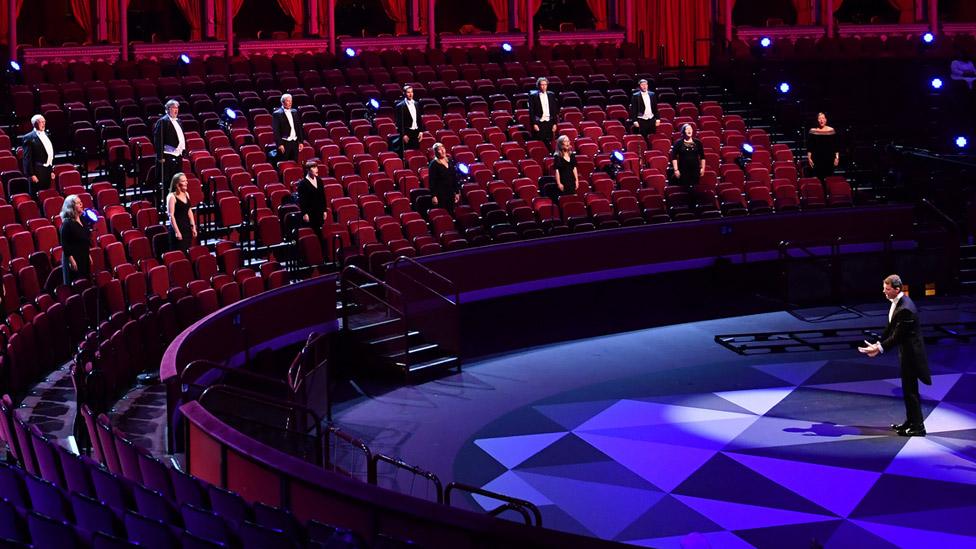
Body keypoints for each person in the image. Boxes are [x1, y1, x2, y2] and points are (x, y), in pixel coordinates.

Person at [858, 274, 932, 437]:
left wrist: (879, 349)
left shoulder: (905, 308)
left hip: (912, 356)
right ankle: (911, 422)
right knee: (907, 390)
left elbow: (897, 336)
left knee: (911, 391)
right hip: (906, 353)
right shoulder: (898, 303)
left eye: (887, 289)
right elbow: (891, 329)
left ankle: (918, 427)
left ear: (897, 289)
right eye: (884, 289)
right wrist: (878, 344)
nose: (884, 292)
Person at [153, 99, 186, 208]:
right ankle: (164, 204)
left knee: (177, 181)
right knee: (167, 181)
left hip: (177, 156)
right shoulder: (162, 121)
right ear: (168, 109)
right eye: (173, 108)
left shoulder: (179, 121)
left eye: (177, 108)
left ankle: (175, 202)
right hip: (167, 156)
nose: (176, 110)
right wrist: (160, 156)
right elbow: (158, 139)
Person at [59, 194, 91, 285]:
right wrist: (72, 260)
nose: (81, 204)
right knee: (76, 283)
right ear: (71, 207)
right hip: (73, 258)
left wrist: (88, 254)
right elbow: (65, 244)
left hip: (83, 255)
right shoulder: (67, 224)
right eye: (78, 203)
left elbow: (85, 238)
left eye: (81, 202)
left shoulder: (82, 219)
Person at [22, 114, 56, 195]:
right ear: (34, 124)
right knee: (37, 195)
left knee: (46, 194)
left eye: (44, 121)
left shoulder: (47, 135)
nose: (43, 124)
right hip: (37, 172)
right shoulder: (28, 137)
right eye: (41, 122)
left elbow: (49, 153)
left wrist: (51, 170)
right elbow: (27, 158)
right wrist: (31, 175)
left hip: (46, 170)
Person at [296, 160, 328, 240]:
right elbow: (302, 200)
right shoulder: (302, 184)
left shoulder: (319, 181)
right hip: (310, 214)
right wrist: (305, 213)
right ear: (308, 170)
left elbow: (322, 196)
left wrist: (324, 210)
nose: (316, 169)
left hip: (319, 212)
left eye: (316, 167)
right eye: (314, 167)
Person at [166, 172, 196, 252]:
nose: (186, 182)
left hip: (186, 228)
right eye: (183, 181)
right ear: (177, 184)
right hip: (177, 228)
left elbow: (189, 211)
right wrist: (177, 232)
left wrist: (193, 227)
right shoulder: (171, 196)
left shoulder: (186, 194)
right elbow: (171, 216)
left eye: (186, 180)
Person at [671, 123, 706, 193]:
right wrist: (676, 170)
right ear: (683, 131)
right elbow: (674, 157)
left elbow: (702, 156)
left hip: (695, 170)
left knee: (695, 189)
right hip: (683, 170)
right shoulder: (678, 143)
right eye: (687, 129)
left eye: (690, 129)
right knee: (684, 190)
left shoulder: (698, 142)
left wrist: (703, 168)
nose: (689, 130)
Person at [427, 143, 460, 214]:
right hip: (440, 194)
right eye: (439, 149)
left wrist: (457, 192)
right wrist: (434, 196)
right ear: (435, 152)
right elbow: (432, 181)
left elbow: (454, 177)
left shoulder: (450, 161)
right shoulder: (433, 164)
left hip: (450, 193)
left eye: (443, 148)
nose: (442, 151)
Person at [272, 93, 304, 163]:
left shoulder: (294, 111)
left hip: (294, 142)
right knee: (284, 163)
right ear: (282, 102)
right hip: (285, 143)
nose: (290, 103)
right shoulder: (277, 114)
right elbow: (276, 131)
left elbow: (298, 127)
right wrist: (280, 144)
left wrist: (301, 141)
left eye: (291, 101)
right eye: (288, 101)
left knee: (294, 162)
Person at [806, 112, 839, 181]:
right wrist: (809, 158)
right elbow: (810, 146)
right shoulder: (812, 131)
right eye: (819, 118)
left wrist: (837, 158)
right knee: (818, 179)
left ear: (826, 119)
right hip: (817, 159)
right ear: (817, 120)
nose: (821, 120)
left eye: (823, 118)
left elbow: (836, 146)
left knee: (829, 179)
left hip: (829, 158)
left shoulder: (831, 130)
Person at [528, 77, 559, 150]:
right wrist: (534, 124)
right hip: (539, 122)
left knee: (550, 141)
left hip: (549, 121)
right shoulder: (533, 96)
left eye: (545, 85)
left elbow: (554, 110)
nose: (543, 86)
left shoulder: (551, 95)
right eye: (542, 85)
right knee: (540, 142)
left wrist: (555, 123)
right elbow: (531, 111)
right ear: (538, 86)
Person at [395, 85, 424, 152]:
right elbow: (399, 123)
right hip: (407, 133)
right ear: (404, 93)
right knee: (408, 152)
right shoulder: (400, 106)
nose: (410, 94)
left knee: (416, 152)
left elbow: (419, 119)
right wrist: (403, 135)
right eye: (408, 92)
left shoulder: (416, 104)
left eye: (411, 92)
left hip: (416, 132)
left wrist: (421, 131)